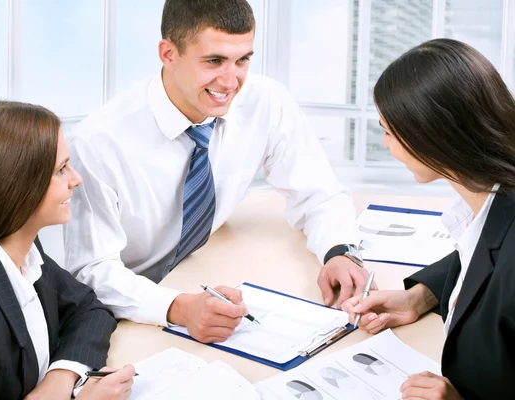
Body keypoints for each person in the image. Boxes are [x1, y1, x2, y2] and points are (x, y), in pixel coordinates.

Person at [64, 0, 369, 345]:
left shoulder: (265, 102)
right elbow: (92, 270)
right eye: (214, 61)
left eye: (243, 60)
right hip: (132, 307)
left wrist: (339, 250)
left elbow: (317, 192)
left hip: (203, 274)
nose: (231, 81)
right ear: (168, 54)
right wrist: (178, 307)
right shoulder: (99, 142)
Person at [0, 101, 135, 400]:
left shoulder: (25, 252)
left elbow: (89, 309)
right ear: (15, 185)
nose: (76, 179)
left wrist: (60, 379)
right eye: (61, 170)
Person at [341, 38, 515, 399]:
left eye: (389, 131)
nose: (387, 146)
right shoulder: (491, 205)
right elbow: (482, 253)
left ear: (432, 133)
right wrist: (421, 296)